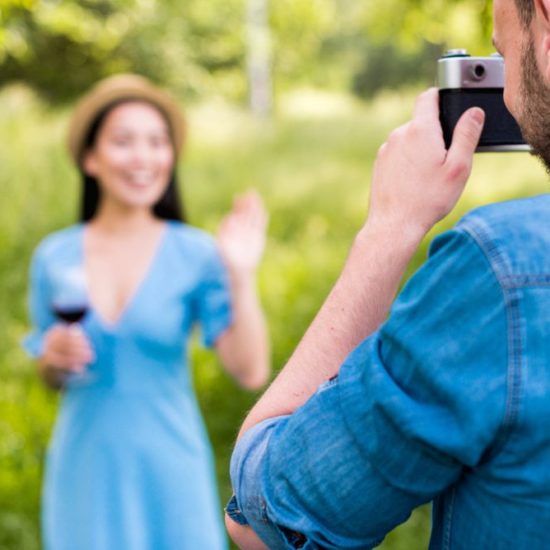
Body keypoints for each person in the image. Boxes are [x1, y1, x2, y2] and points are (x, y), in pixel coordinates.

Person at [225, 0, 550, 548]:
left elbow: (268, 517)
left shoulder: (505, 275)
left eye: (504, 58)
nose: (509, 100)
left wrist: (390, 227)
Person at [23, 74, 270, 550]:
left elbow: (250, 369)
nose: (142, 157)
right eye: (123, 141)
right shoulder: (53, 256)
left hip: (170, 470)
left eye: (157, 142)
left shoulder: (196, 253)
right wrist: (51, 361)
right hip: (84, 470)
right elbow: (48, 370)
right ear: (90, 158)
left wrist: (240, 275)